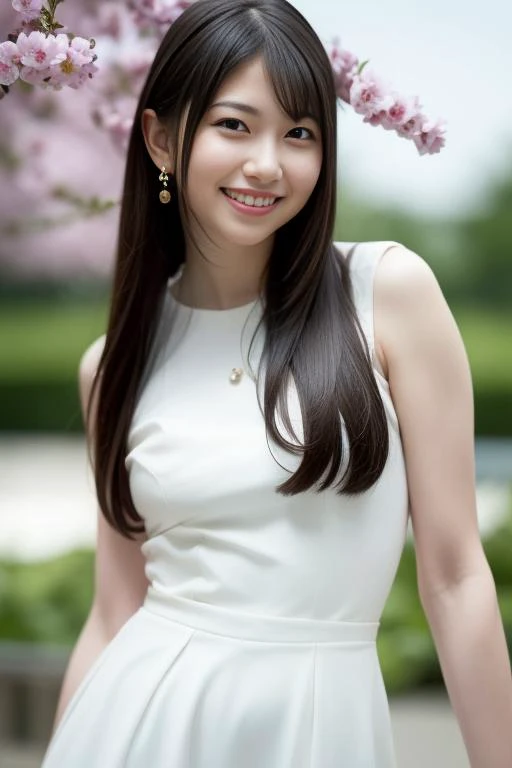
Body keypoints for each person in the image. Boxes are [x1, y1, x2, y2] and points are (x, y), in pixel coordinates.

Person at [41, 0, 512, 766]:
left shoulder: (388, 295)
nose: (268, 162)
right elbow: (114, 610)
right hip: (140, 728)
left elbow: (456, 578)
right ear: (161, 139)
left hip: (321, 729)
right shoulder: (114, 364)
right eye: (235, 125)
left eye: (299, 133)